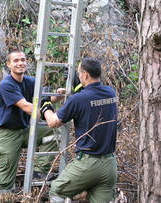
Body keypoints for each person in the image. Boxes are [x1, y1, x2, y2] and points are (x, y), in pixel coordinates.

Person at [40, 57, 118, 203]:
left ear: (85, 75)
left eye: (79, 73)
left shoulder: (78, 99)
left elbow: (53, 122)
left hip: (88, 164)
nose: (78, 76)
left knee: (57, 190)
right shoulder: (111, 93)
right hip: (110, 165)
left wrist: (46, 105)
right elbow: (92, 101)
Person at [0, 49, 63, 195]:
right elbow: (26, 107)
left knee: (53, 131)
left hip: (26, 130)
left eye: (23, 60)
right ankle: (4, 198)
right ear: (8, 65)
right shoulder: (6, 85)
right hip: (8, 134)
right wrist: (47, 114)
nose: (20, 63)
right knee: (6, 172)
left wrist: (58, 95)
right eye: (16, 61)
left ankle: (39, 172)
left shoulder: (31, 82)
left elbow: (46, 99)